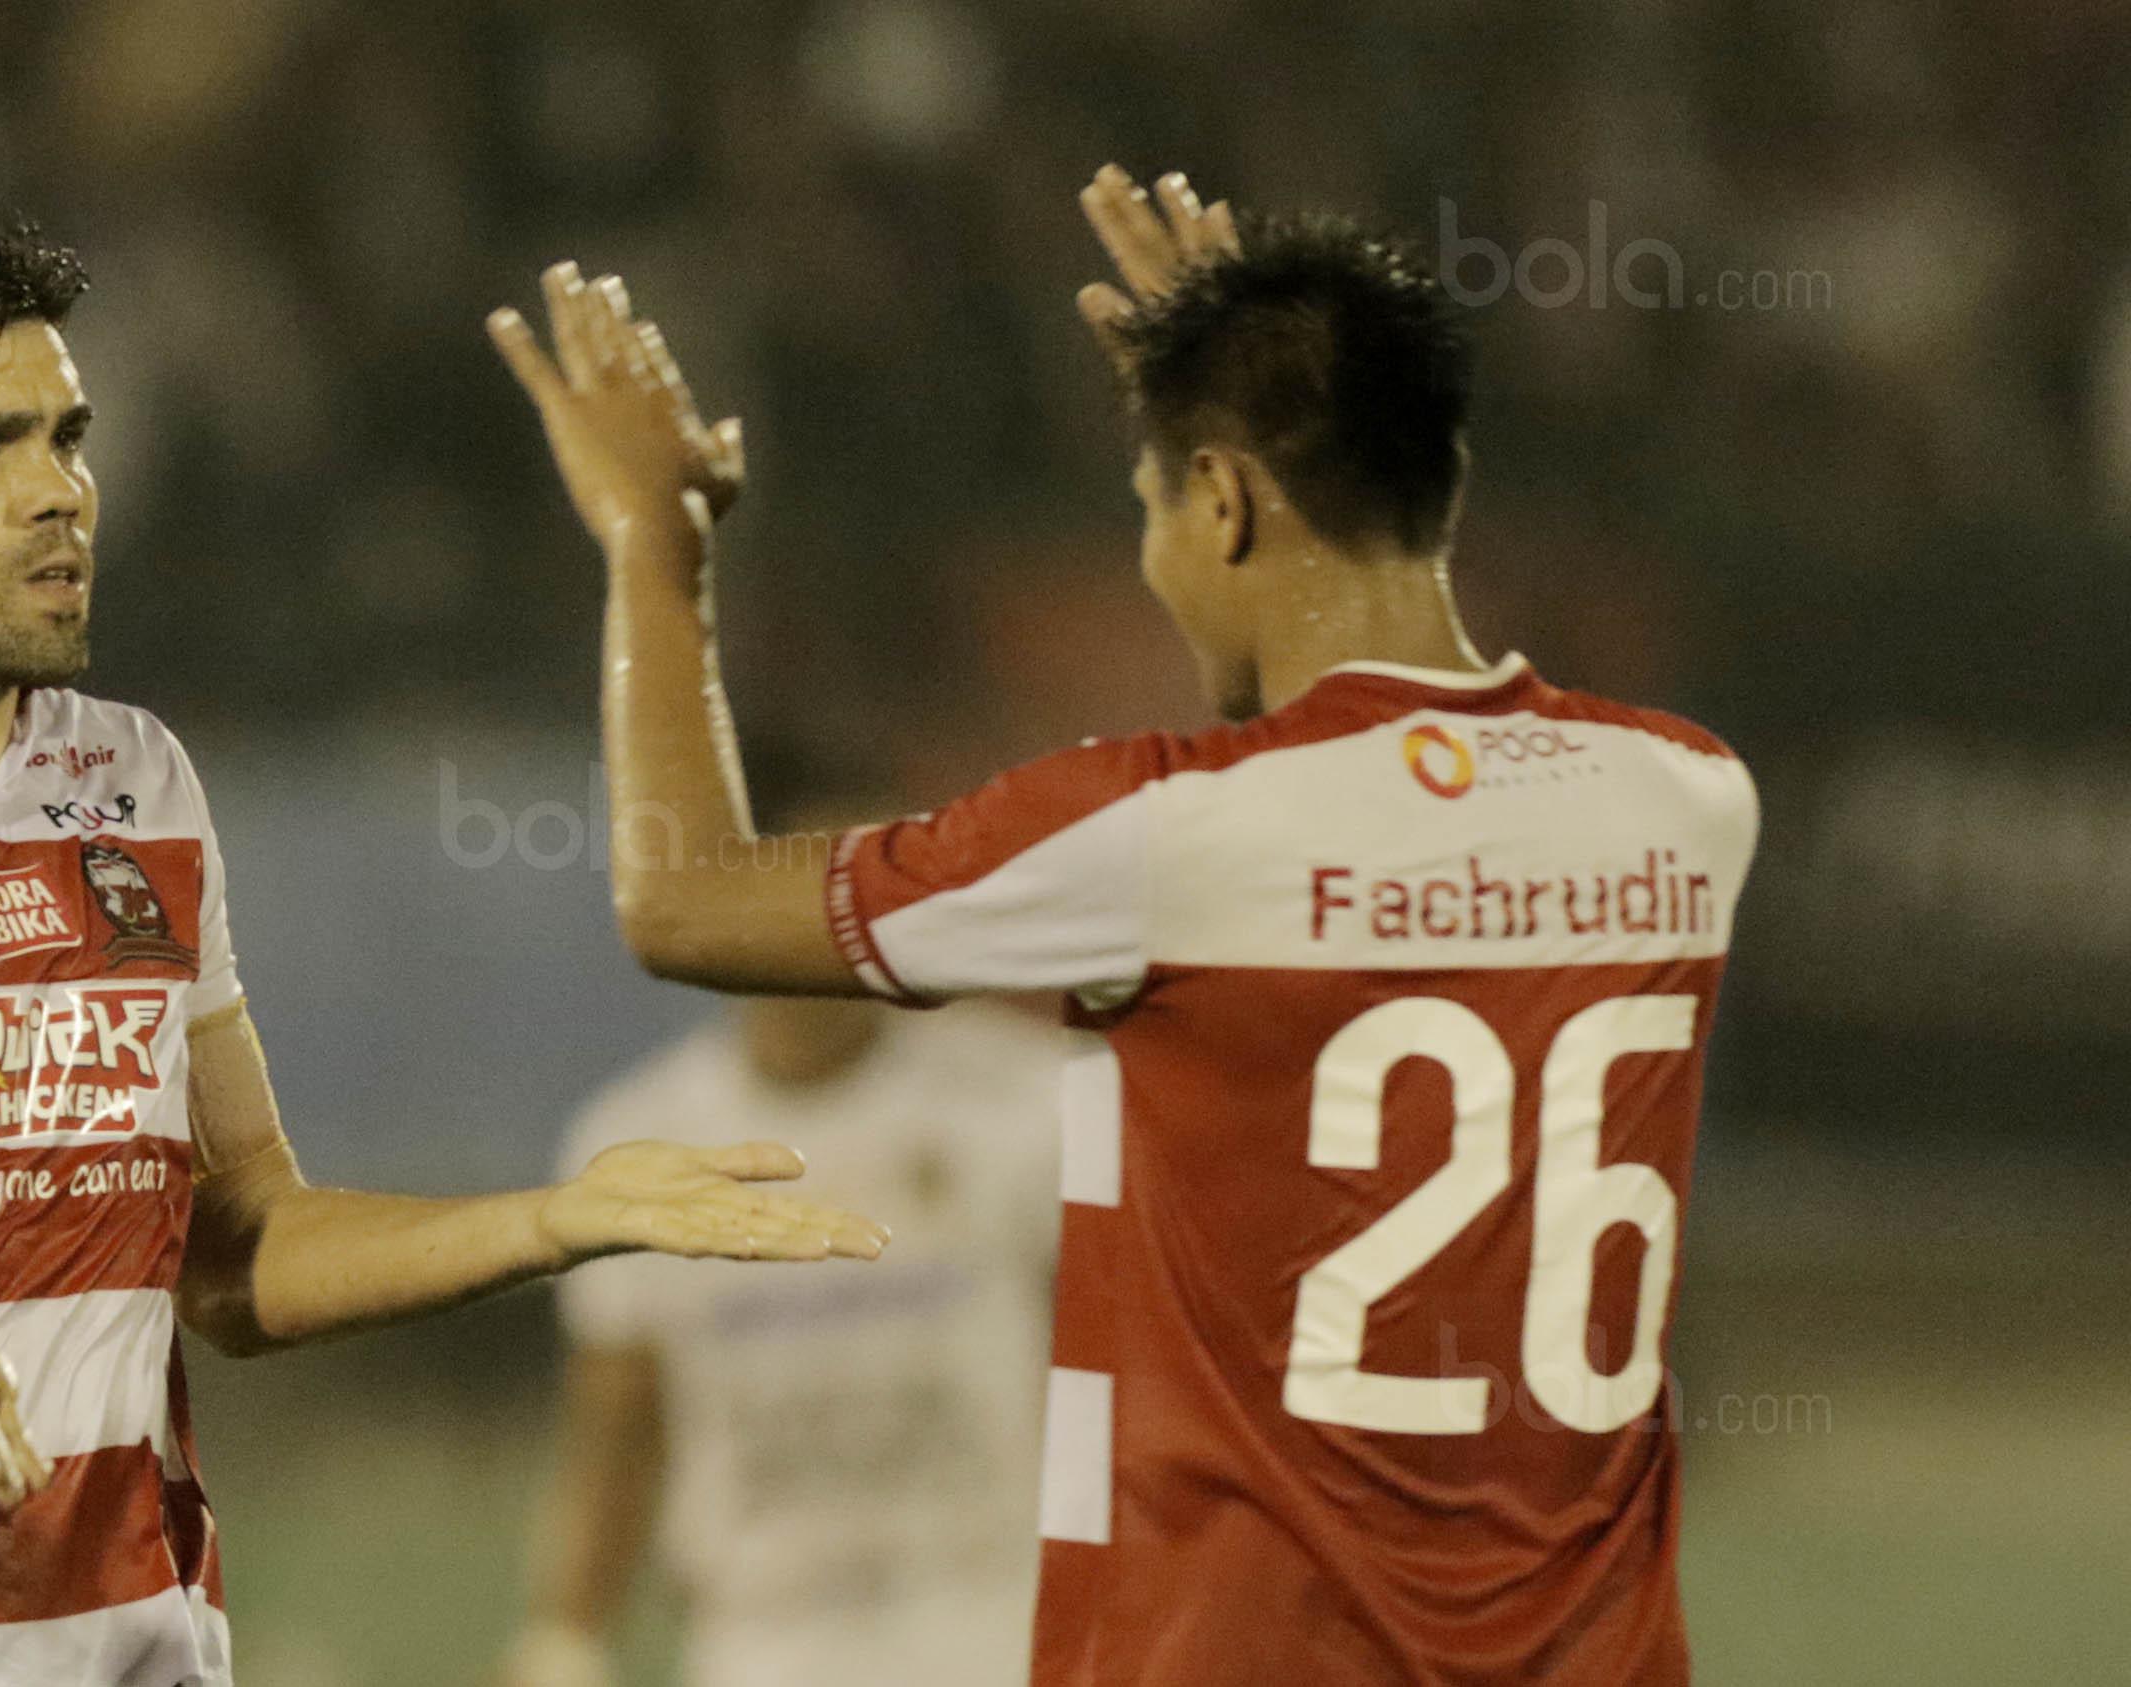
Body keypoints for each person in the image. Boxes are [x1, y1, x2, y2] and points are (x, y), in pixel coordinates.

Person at [0, 221, 888, 1687]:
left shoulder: (139, 781)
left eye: (68, 436)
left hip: (136, 1643)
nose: (55, 491)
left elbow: (235, 1249)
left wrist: (555, 1217)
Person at [489, 167, 1759, 1684]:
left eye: (1154, 504)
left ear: (1224, 502)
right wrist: (1260, 372)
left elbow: (684, 896)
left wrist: (656, 552)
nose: (1153, 566)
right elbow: (1431, 832)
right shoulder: (1683, 796)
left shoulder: (1162, 834)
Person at [501, 795, 1069, 1687]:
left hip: (996, 1618)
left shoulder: (1032, 1101)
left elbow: (1134, 1376)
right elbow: (619, 1425)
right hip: (765, 1639)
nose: (810, 942)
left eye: (841, 905)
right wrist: (566, 1637)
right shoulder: (639, 1137)